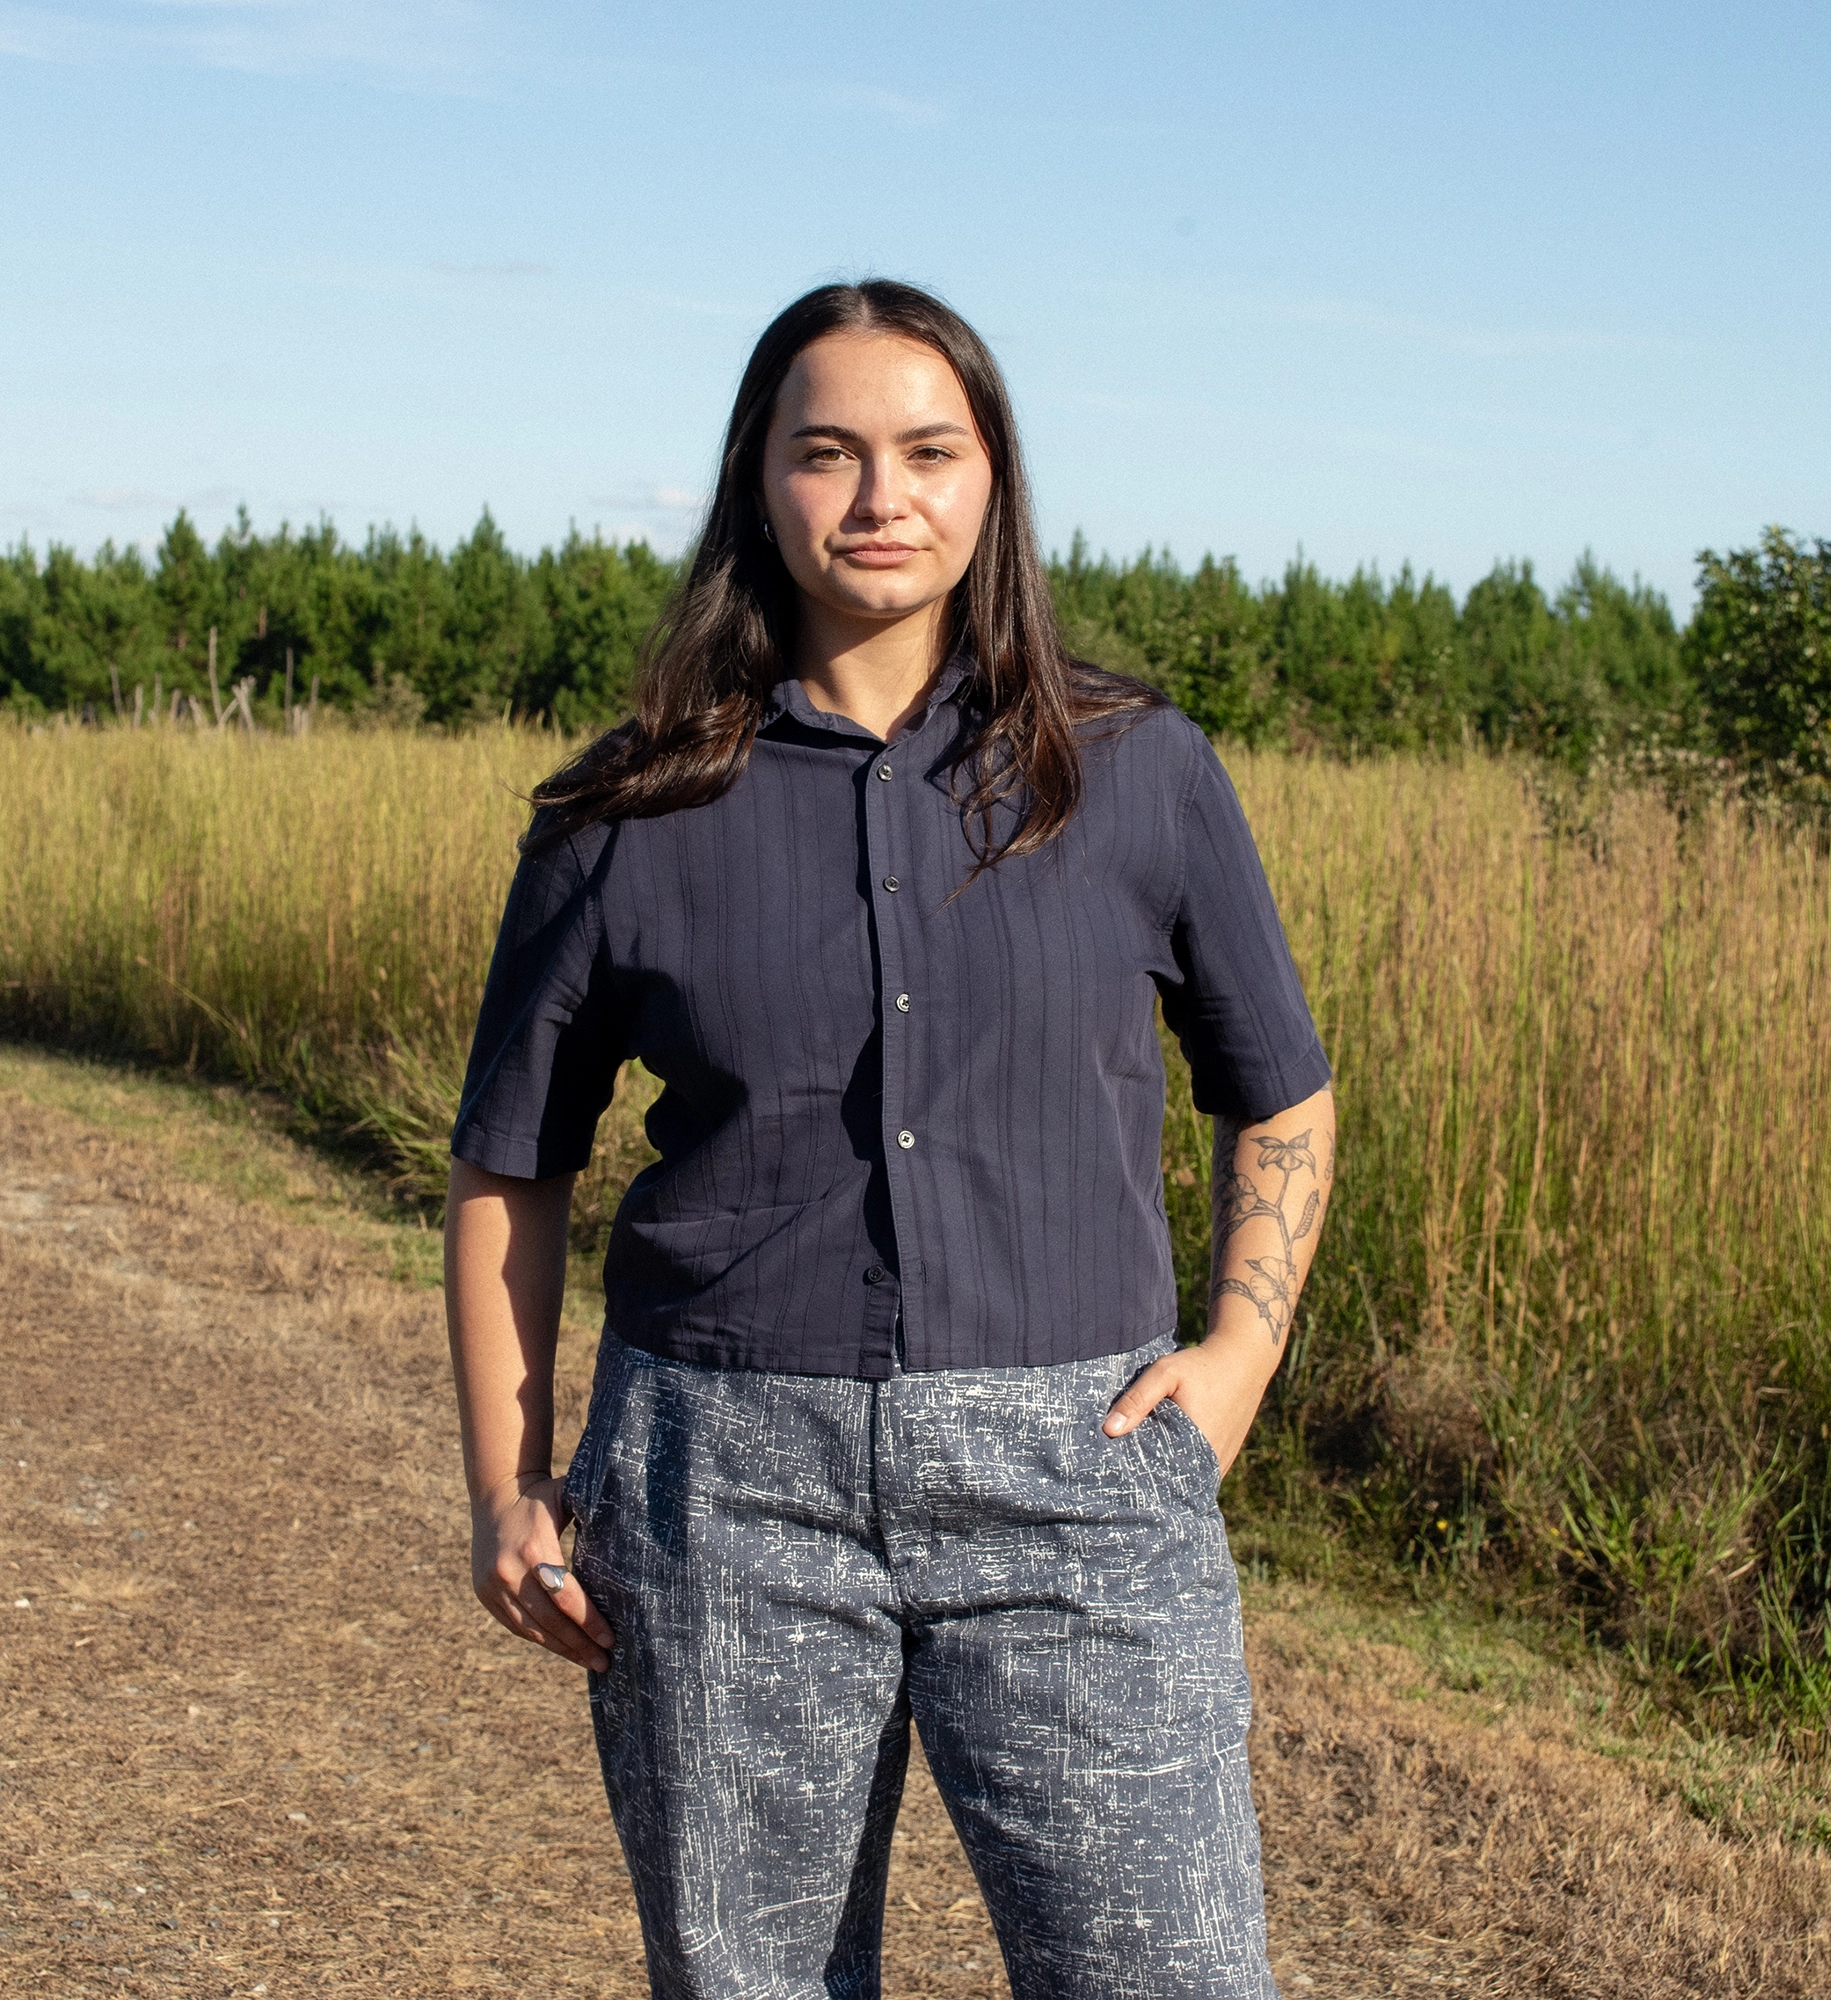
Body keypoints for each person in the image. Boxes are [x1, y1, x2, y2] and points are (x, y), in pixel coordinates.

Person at [446, 278, 1335, 2000]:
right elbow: (510, 1166)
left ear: (990, 477)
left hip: (1078, 1470)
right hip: (723, 1483)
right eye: (828, 453)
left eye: (929, 450)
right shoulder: (623, 810)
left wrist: (1238, 1351)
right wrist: (505, 1483)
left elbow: (1277, 1089)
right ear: (756, 484)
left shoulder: (1133, 771)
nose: (880, 498)